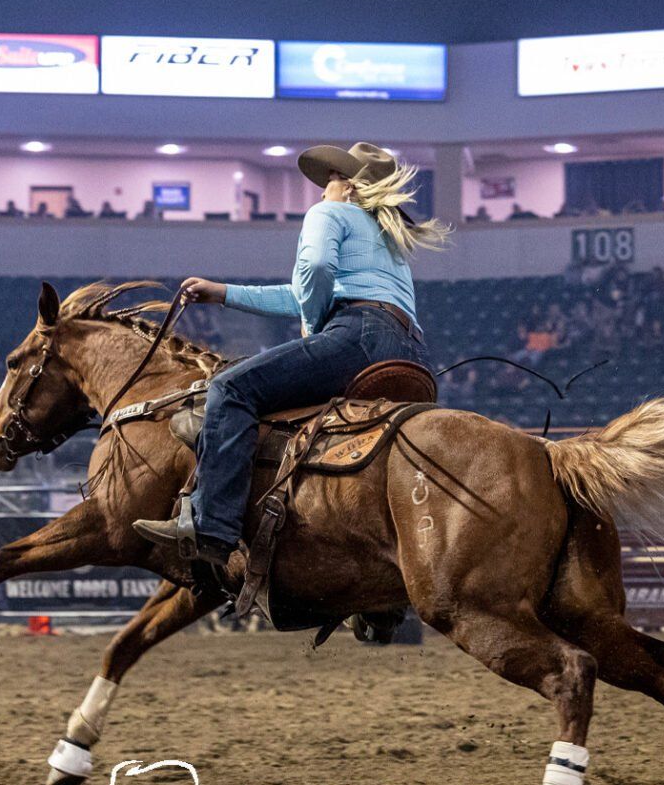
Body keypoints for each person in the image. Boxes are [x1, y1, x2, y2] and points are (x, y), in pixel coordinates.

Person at [133, 142, 450, 563]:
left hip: (357, 337)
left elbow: (316, 271)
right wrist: (224, 293)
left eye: (332, 180)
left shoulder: (328, 213)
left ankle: (211, 525)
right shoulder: (391, 241)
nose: (322, 191)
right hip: (412, 354)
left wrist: (315, 327)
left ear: (349, 187)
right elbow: (305, 292)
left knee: (230, 390)